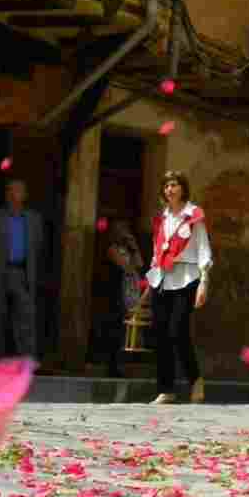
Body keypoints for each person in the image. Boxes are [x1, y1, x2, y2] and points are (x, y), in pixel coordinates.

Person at [145, 172, 211, 403]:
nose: (170, 189)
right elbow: (157, 250)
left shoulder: (193, 215)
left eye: (174, 185)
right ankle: (166, 388)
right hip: (162, 277)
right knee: (160, 333)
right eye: (166, 186)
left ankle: (195, 380)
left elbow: (203, 247)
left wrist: (204, 281)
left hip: (187, 275)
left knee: (177, 331)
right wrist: (150, 281)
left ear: (183, 188)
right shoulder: (161, 217)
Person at [0, 179, 45, 359]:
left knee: (25, 317)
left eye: (18, 190)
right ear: (6, 194)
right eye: (10, 189)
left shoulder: (34, 218)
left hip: (21, 272)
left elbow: (38, 246)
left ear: (25, 195)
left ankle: (25, 360)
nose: (13, 193)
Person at [100, 221, 144, 378]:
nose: (124, 233)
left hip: (130, 291)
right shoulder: (112, 249)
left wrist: (134, 246)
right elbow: (127, 267)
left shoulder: (129, 249)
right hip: (116, 292)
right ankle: (111, 366)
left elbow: (139, 264)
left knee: (126, 329)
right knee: (115, 328)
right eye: (121, 230)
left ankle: (122, 364)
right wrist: (131, 261)